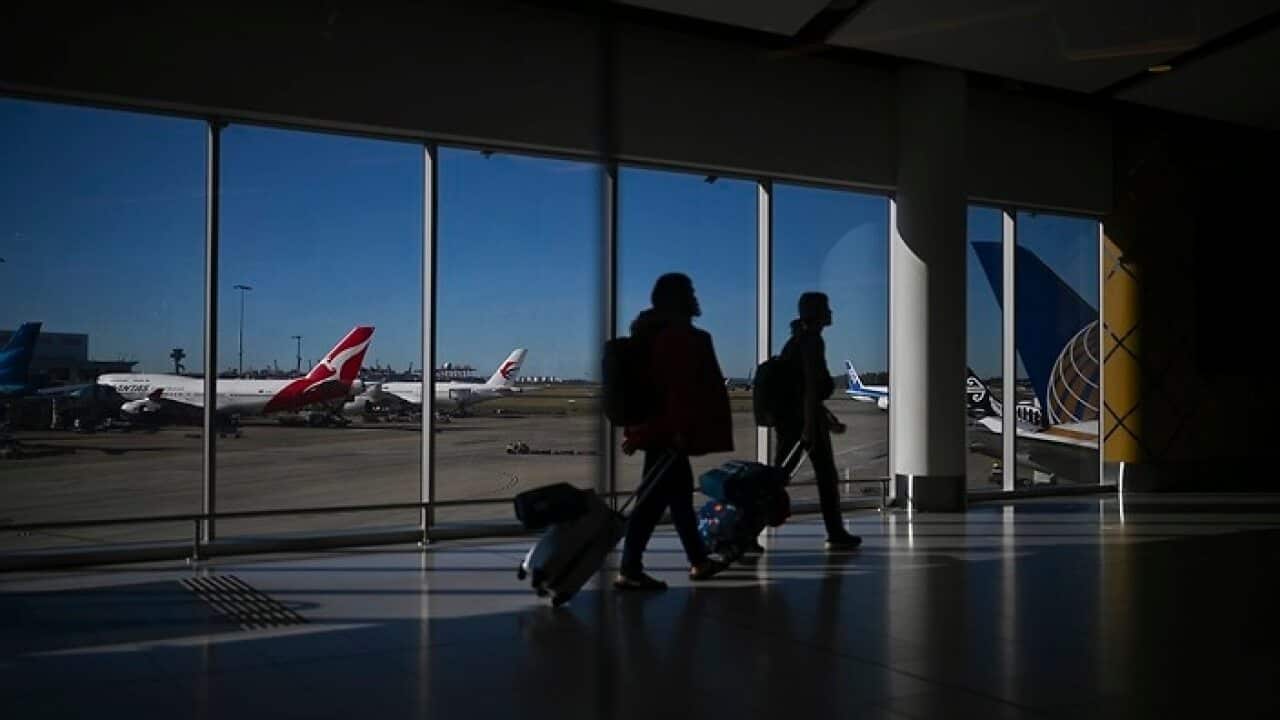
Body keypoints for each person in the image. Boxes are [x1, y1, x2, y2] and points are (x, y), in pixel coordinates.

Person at [616, 273, 732, 590]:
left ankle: (697, 561)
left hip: (659, 431)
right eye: (689, 291)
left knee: (676, 499)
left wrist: (638, 433)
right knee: (653, 504)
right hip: (669, 434)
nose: (696, 296)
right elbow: (678, 391)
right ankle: (632, 568)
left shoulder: (652, 334)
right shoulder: (677, 337)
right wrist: (679, 431)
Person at [775, 292, 863, 550]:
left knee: (781, 476)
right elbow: (812, 388)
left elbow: (805, 389)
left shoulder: (797, 341)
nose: (831, 312)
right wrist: (811, 426)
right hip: (806, 422)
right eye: (827, 308)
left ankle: (748, 531)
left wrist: (826, 418)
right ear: (817, 313)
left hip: (799, 419)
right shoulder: (811, 342)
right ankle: (835, 532)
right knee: (821, 477)